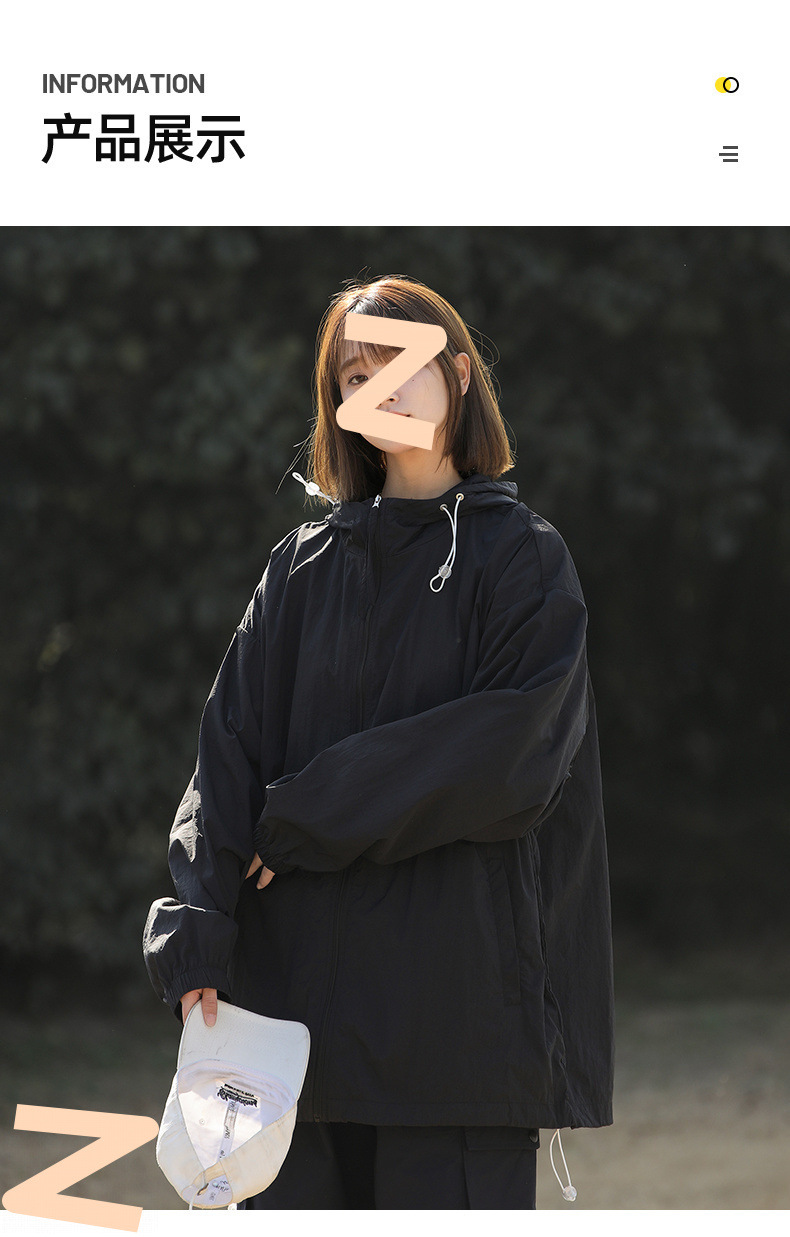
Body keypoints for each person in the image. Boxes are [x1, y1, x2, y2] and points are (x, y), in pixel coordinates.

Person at [143, 273, 615, 1210]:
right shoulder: (300, 569)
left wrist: (309, 814)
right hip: (287, 1050)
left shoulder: (522, 557)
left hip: (458, 1039)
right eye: (355, 375)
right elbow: (225, 756)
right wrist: (196, 927)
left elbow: (509, 757)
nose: (378, 387)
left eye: (398, 363)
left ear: (461, 373)